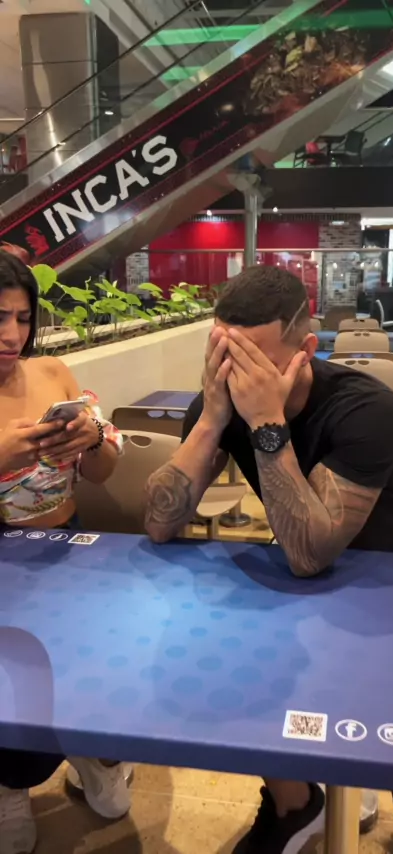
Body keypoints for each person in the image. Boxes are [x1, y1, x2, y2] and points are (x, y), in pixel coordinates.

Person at [144, 265, 393, 854]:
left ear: (305, 350)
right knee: (239, 669)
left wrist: (267, 423)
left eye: (256, 361)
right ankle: (295, 803)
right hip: (296, 565)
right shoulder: (221, 401)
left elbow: (313, 553)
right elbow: (160, 523)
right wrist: (212, 417)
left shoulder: (367, 407)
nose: (238, 376)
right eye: (225, 356)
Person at [0, 248, 130, 854]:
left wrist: (93, 436)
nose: (11, 335)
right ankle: (12, 786)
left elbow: (101, 472)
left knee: (92, 664)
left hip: (69, 548)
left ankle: (93, 752)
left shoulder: (53, 372)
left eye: (22, 318)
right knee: (16, 682)